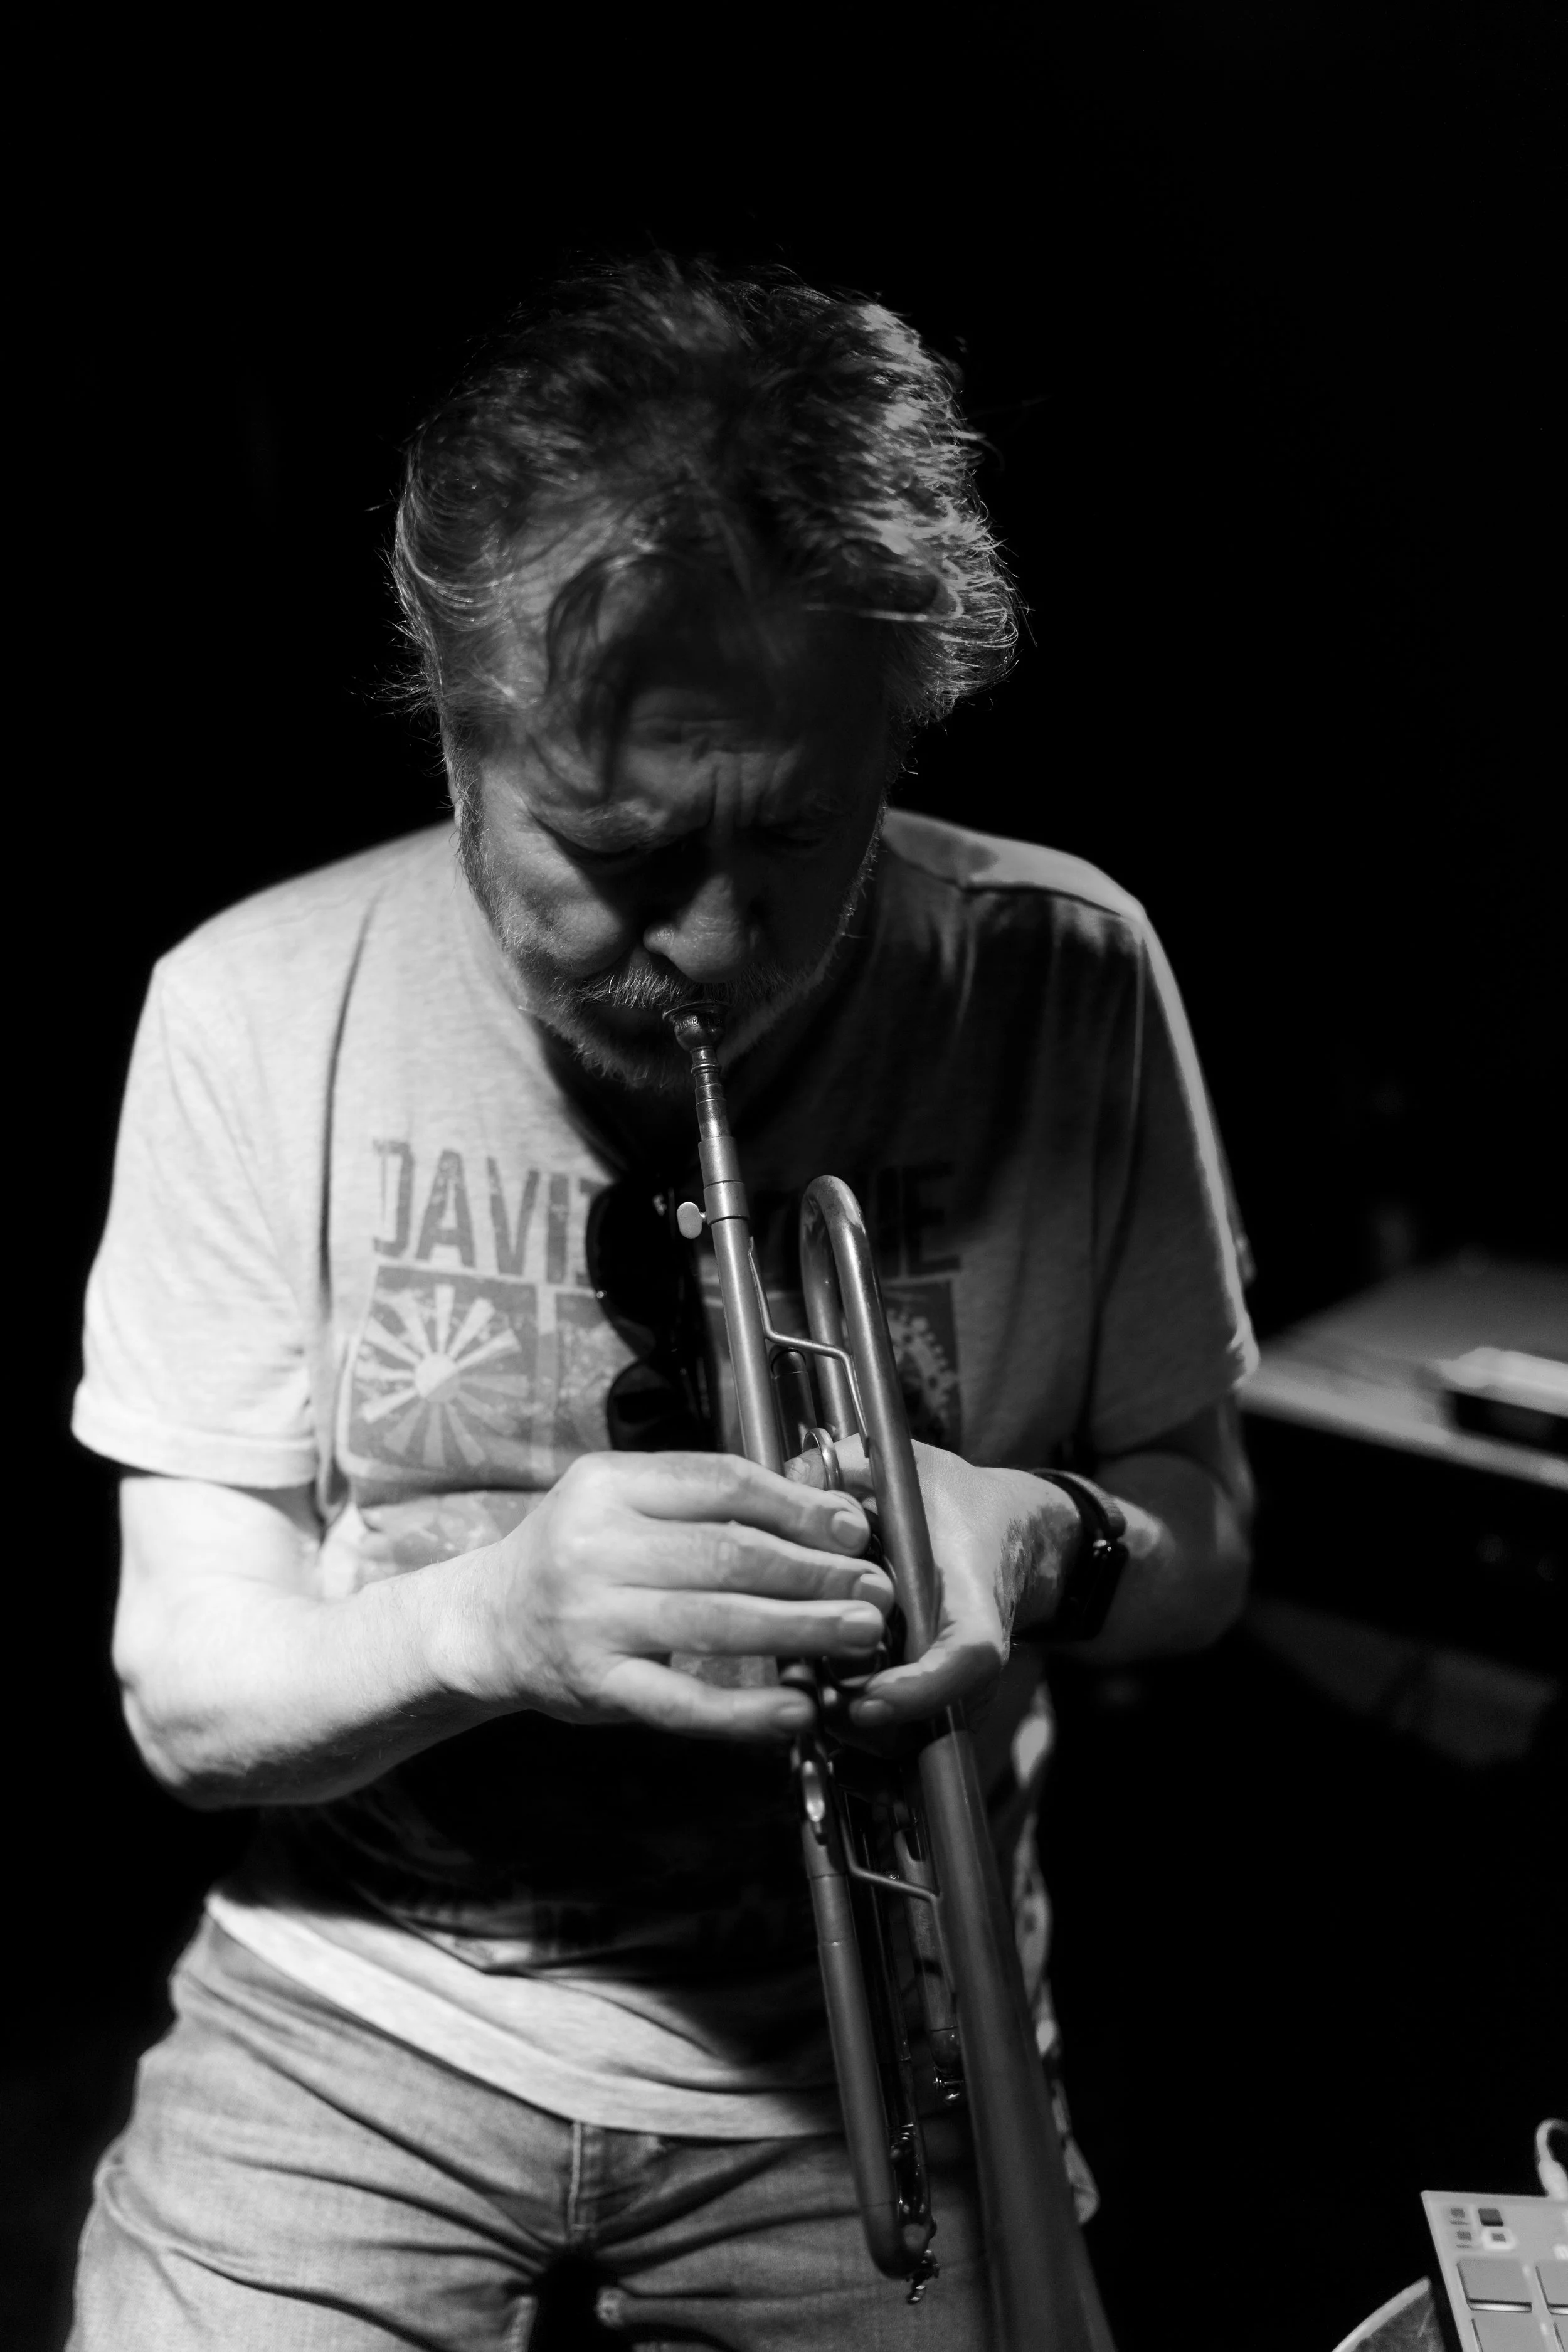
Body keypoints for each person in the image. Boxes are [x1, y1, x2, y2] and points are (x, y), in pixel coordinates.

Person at [69, 256, 1256, 2351]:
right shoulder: (251, 1006)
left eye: (794, 833)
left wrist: (1037, 1534)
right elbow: (190, 1697)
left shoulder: (1065, 974)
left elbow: (1204, 1535)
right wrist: (495, 1621)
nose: (711, 943)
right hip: (363, 2012)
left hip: (874, 2026)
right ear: (458, 734)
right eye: (618, 849)